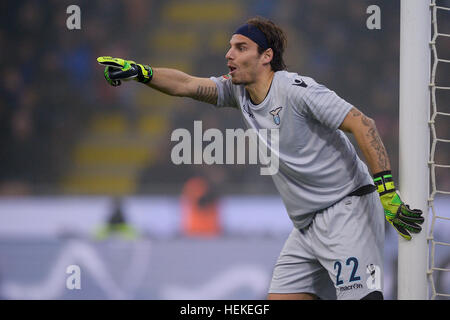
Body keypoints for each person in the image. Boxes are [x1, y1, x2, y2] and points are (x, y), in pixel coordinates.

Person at [96, 17, 424, 300]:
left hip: (347, 210)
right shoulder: (237, 92)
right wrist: (140, 72)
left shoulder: (296, 89)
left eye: (240, 47)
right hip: (306, 226)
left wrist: (387, 193)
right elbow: (184, 84)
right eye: (230, 47)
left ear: (266, 56)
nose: (229, 54)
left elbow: (362, 123)